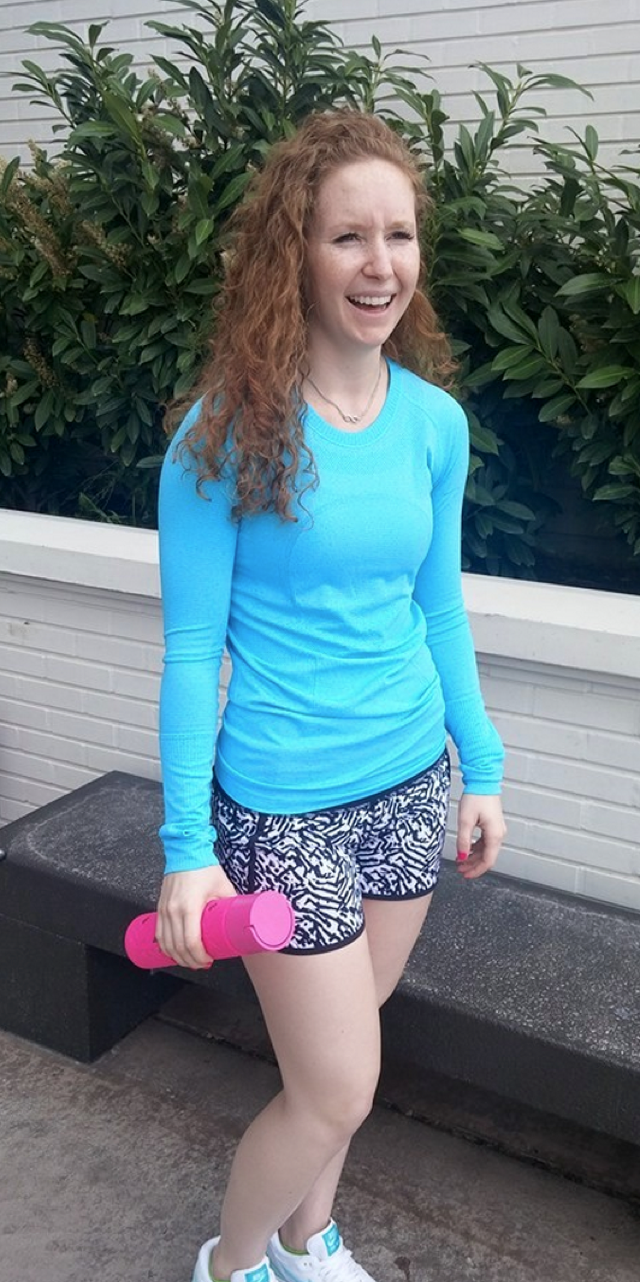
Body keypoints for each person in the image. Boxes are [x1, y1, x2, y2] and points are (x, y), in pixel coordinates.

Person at [155, 108, 507, 1282]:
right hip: (283, 806)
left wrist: (481, 765)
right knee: (338, 1083)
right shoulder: (220, 438)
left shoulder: (433, 425)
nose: (378, 264)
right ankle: (232, 1264)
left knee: (339, 1065)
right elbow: (189, 651)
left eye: (397, 235)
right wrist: (186, 849)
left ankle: (310, 1237)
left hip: (409, 783)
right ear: (292, 253)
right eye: (347, 236)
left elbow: (438, 608)